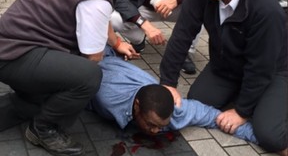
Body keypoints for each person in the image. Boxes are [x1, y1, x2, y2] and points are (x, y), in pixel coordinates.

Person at [0, 0, 140, 156]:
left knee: (41, 97)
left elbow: (101, 18)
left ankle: (29, 100)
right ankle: (44, 128)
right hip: (14, 55)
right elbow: (92, 58)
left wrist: (117, 42)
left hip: (13, 45)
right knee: (89, 76)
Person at [159, 0, 288, 156]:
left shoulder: (267, 12)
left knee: (270, 135)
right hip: (227, 64)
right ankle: (253, 100)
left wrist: (241, 112)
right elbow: (182, 34)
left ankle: (266, 103)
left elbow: (260, 68)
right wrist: (168, 83)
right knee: (198, 99)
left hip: (274, 71)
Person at [86, 46, 257, 144]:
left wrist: (265, 139)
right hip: (93, 58)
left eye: (160, 126)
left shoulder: (174, 110)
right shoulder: (107, 98)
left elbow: (211, 116)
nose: (156, 131)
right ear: (137, 105)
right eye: (151, 124)